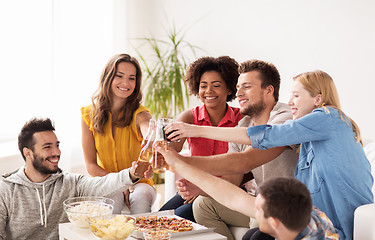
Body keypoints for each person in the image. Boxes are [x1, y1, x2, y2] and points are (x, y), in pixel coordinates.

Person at [166, 70, 374, 240]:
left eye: (296, 95)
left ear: (318, 99)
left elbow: (265, 140)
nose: (290, 101)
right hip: (310, 218)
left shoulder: (329, 117)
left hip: (337, 224)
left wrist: (194, 132)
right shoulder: (308, 144)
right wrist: (177, 163)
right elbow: (232, 194)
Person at [166, 59, 299, 240]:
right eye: (238, 88)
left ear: (269, 90)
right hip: (261, 204)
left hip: (289, 207)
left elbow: (243, 161)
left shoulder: (285, 118)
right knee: (199, 206)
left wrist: (181, 162)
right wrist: (199, 187)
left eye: (246, 87)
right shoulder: (242, 124)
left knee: (253, 237)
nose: (239, 94)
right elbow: (231, 179)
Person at [0, 118, 152, 240]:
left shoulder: (70, 182)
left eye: (57, 145)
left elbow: (102, 184)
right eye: (47, 147)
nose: (56, 152)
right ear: (28, 153)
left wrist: (132, 174)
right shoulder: (5, 190)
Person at [155, 144, 340, 240]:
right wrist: (178, 163)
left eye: (257, 210)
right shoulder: (310, 215)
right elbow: (232, 197)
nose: (252, 209)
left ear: (274, 222)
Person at [159, 56, 242, 222]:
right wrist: (161, 143)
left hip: (228, 190)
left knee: (179, 217)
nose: (208, 91)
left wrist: (201, 189)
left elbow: (241, 172)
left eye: (216, 86)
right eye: (203, 86)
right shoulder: (189, 117)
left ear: (229, 89)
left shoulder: (241, 119)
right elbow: (171, 152)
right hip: (194, 187)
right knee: (158, 218)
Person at [81, 53, 156, 214]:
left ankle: (143, 236)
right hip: (106, 181)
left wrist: (152, 137)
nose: (125, 83)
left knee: (141, 195)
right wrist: (119, 183)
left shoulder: (141, 114)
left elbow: (150, 132)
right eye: (119, 76)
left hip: (139, 183)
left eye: (131, 78)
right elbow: (91, 166)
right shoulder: (88, 115)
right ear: (108, 77)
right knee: (113, 196)